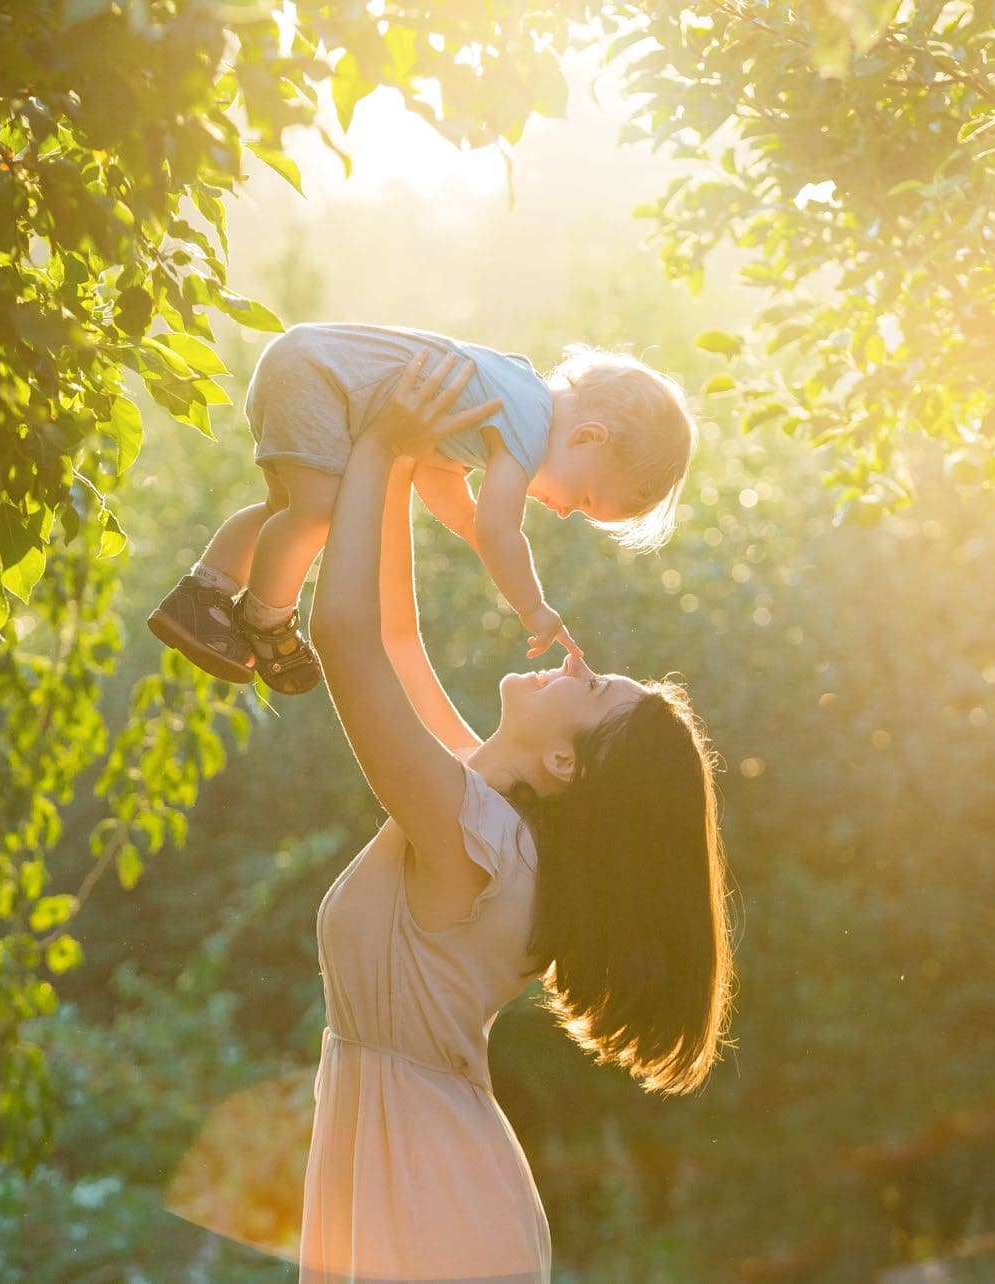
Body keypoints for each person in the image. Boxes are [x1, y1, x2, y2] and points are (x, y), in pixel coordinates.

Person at [296, 353, 735, 1282]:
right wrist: (407, 462)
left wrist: (374, 448)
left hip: (437, 1207)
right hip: (428, 1184)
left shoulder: (472, 841)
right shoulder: (483, 810)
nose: (575, 662)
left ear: (566, 763)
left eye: (593, 685)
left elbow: (342, 635)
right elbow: (395, 638)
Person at [147, 323, 695, 694]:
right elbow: (501, 530)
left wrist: (470, 524)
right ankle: (265, 620)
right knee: (321, 511)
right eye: (585, 499)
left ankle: (203, 593)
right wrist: (534, 609)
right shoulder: (529, 428)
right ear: (588, 437)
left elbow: (440, 474)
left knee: (285, 507)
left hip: (306, 365)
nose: (566, 511)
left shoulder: (512, 398)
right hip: (320, 381)